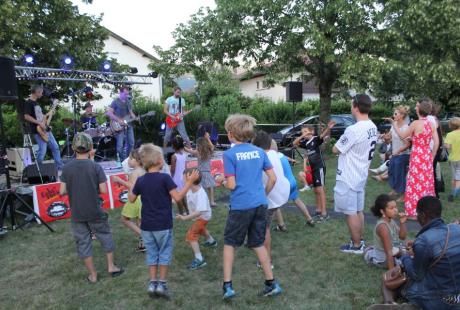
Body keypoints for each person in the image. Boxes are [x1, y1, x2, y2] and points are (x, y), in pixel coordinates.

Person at [216, 114, 282, 299]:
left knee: (230, 243)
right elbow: (273, 178)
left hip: (240, 206)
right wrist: (263, 194)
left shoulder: (229, 154)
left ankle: (227, 286)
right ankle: (272, 283)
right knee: (257, 243)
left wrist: (220, 181)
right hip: (260, 203)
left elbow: (231, 185)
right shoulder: (260, 152)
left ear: (230, 133)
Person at [129, 143, 199, 298]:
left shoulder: (141, 181)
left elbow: (131, 199)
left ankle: (152, 283)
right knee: (164, 253)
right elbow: (178, 197)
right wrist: (189, 182)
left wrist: (132, 184)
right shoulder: (165, 178)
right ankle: (162, 284)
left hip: (147, 226)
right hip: (163, 225)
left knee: (152, 254)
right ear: (159, 161)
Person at [59, 133, 123, 283]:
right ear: (91, 148)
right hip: (95, 210)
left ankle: (93, 275)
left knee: (83, 242)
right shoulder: (95, 167)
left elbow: (62, 191)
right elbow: (103, 190)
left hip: (77, 213)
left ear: (73, 148)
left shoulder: (67, 168)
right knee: (105, 234)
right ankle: (111, 267)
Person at [332, 94, 378, 254]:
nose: (351, 107)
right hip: (360, 175)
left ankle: (356, 245)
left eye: (352, 104)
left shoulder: (353, 129)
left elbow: (335, 149)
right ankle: (359, 240)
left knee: (351, 212)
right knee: (358, 210)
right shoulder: (373, 126)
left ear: (356, 107)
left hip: (349, 176)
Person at [398, 196, 460, 309]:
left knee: (407, 288)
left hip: (440, 299)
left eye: (417, 214)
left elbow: (417, 275)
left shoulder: (424, 240)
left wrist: (405, 256)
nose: (416, 218)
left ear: (423, 215)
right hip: (457, 295)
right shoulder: (456, 229)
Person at [390, 98, 439, 219]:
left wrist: (394, 124)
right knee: (426, 183)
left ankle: (413, 213)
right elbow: (436, 142)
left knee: (414, 183)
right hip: (426, 155)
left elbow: (402, 135)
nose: (415, 108)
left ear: (419, 110)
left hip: (417, 156)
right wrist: (431, 156)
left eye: (417, 107)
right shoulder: (432, 124)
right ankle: (427, 211)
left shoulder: (415, 123)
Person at [252, 131, 290, 269]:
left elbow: (272, 179)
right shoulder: (274, 153)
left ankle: (267, 261)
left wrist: (263, 194)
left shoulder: (261, 157)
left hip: (272, 197)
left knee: (264, 228)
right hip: (282, 193)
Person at [176, 168, 217, 270]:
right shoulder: (190, 188)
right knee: (201, 229)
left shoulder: (200, 194)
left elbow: (199, 212)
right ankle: (211, 241)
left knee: (191, 235)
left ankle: (199, 259)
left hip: (203, 217)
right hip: (199, 216)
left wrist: (185, 218)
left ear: (191, 178)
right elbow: (179, 195)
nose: (182, 178)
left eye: (184, 176)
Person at [294, 120, 335, 221]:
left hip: (319, 167)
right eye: (302, 132)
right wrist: (302, 136)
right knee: (316, 190)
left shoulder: (315, 139)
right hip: (313, 169)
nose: (304, 134)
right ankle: (318, 210)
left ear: (311, 131)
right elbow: (294, 144)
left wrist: (328, 128)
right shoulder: (306, 143)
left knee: (320, 189)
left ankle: (324, 213)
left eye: (305, 131)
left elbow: (322, 136)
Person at [272, 140, 315, 229]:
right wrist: (293, 160)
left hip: (285, 184)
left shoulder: (272, 158)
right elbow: (287, 158)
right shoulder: (281, 155)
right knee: (297, 200)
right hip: (292, 181)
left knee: (274, 203)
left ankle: (281, 225)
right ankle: (310, 219)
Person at [112, 149, 145, 252]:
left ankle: (146, 237)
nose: (128, 161)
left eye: (130, 158)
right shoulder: (144, 170)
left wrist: (120, 180)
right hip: (144, 198)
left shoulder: (135, 172)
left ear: (137, 160)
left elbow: (132, 186)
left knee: (124, 219)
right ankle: (143, 244)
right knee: (140, 222)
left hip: (135, 198)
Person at [23, 85, 63, 169]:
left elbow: (42, 117)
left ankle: (59, 166)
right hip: (38, 131)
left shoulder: (37, 103)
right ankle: (38, 169)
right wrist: (39, 123)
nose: (42, 94)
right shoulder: (28, 103)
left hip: (45, 129)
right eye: (41, 93)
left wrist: (50, 114)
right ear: (37, 92)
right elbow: (26, 116)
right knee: (42, 151)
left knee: (55, 147)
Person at [364, 194, 407, 270]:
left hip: (392, 250)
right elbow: (389, 253)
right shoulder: (383, 227)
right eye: (391, 208)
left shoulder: (391, 221)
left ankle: (371, 250)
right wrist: (392, 272)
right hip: (384, 259)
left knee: (409, 252)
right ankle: (370, 254)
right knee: (406, 262)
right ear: (382, 211)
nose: (395, 210)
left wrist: (402, 223)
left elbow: (402, 237)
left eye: (395, 207)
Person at [384, 106, 411, 200]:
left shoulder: (406, 128)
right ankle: (395, 189)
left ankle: (403, 194)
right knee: (392, 171)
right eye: (394, 113)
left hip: (403, 155)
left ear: (402, 115)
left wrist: (398, 151)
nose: (393, 115)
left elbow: (407, 144)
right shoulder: (394, 124)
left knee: (400, 174)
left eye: (396, 114)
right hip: (395, 154)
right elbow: (390, 138)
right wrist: (386, 137)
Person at [186, 132, 217, 207]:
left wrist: (184, 147)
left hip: (199, 172)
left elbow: (189, 151)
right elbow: (212, 146)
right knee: (210, 187)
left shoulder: (198, 152)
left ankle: (200, 202)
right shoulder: (209, 151)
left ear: (199, 145)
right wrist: (208, 138)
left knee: (200, 189)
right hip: (207, 172)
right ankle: (212, 201)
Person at [106, 86, 137, 161]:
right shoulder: (115, 102)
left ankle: (128, 159)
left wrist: (135, 117)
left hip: (128, 125)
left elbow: (131, 113)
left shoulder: (128, 101)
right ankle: (123, 160)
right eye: (125, 94)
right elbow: (109, 113)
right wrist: (118, 120)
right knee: (119, 147)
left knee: (131, 143)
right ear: (120, 92)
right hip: (118, 126)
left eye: (127, 94)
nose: (126, 96)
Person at [171, 136, 188, 215]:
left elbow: (173, 170)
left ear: (173, 146)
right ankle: (187, 210)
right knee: (183, 195)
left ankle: (181, 213)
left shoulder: (174, 157)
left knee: (177, 196)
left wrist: (171, 176)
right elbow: (186, 167)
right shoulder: (184, 155)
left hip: (176, 179)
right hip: (183, 178)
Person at [445, 117, 460, 202]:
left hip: (452, 159)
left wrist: (445, 145)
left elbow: (448, 146)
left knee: (454, 177)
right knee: (458, 178)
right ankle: (454, 194)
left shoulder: (450, 134)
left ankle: (453, 191)